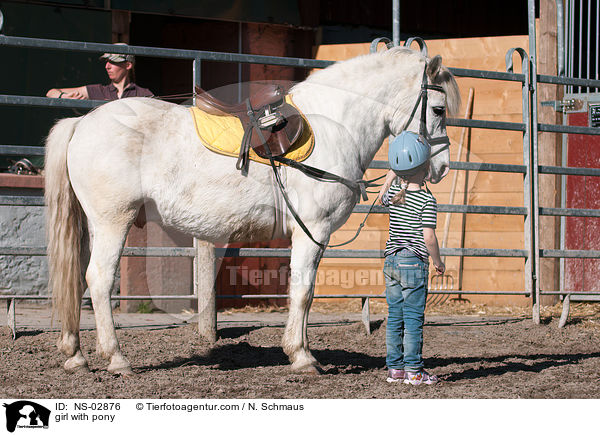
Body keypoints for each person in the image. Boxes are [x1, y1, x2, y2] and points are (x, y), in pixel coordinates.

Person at [377, 131, 445, 386]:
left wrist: (390, 176)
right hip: (413, 263)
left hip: (391, 261)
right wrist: (438, 262)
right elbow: (429, 238)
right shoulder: (427, 199)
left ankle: (395, 370)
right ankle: (414, 371)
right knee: (414, 317)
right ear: (426, 167)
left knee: (395, 315)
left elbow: (381, 197)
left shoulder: (394, 194)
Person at [46, 43, 153, 101]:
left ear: (128, 65)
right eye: (106, 62)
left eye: (113, 62)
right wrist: (64, 97)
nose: (107, 66)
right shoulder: (97, 91)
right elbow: (51, 93)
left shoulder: (144, 94)